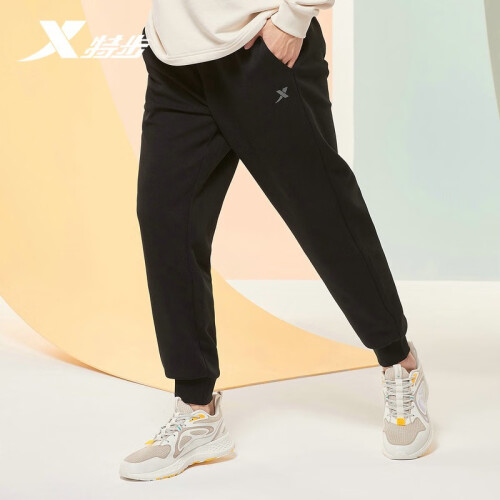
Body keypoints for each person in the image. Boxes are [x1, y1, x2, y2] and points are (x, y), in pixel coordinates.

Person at [119, 0, 433, 481]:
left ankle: (400, 363)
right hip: (175, 56)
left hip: (260, 50)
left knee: (321, 211)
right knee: (165, 220)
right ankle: (197, 411)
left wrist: (294, 16)